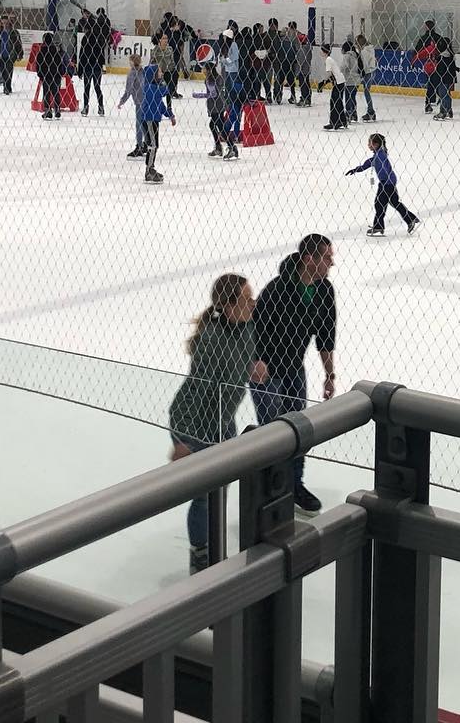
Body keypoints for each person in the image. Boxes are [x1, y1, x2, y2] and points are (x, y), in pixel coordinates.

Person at [169, 273, 267, 571]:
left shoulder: (247, 326)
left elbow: (243, 357)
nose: (253, 303)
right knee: (203, 497)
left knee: (220, 491)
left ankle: (211, 545)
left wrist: (253, 366)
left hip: (224, 424)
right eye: (246, 298)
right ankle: (200, 553)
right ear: (227, 305)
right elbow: (195, 394)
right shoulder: (210, 341)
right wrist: (182, 440)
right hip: (197, 426)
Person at [251, 234, 337, 513]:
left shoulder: (324, 291)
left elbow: (325, 336)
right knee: (274, 433)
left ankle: (294, 484)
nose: (332, 263)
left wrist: (329, 374)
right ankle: (272, 490)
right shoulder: (276, 290)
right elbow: (254, 329)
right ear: (309, 259)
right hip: (265, 371)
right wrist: (256, 361)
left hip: (293, 369)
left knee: (299, 431)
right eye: (327, 257)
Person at [347, 133, 420, 237]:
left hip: (387, 183)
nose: (368, 145)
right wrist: (356, 170)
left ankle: (379, 226)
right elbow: (368, 163)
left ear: (376, 144)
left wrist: (385, 183)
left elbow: (383, 169)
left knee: (379, 204)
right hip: (388, 182)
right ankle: (411, 219)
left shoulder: (380, 155)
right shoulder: (378, 154)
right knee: (393, 202)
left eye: (370, 143)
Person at [141, 62, 175, 183]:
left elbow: (160, 105)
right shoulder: (149, 87)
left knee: (155, 145)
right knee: (152, 145)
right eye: (159, 72)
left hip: (154, 120)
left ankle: (151, 168)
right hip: (149, 120)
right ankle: (149, 171)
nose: (161, 73)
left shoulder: (154, 87)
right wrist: (164, 82)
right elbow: (165, 90)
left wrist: (170, 115)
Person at [204, 57, 238, 160]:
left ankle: (231, 147)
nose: (202, 70)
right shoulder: (213, 78)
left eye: (204, 68)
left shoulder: (213, 79)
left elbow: (214, 93)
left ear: (209, 70)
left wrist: (200, 95)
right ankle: (221, 147)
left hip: (217, 106)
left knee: (219, 127)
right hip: (217, 105)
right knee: (215, 125)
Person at [79, 8, 110, 116]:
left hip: (88, 66)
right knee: (97, 87)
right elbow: (101, 55)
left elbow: (82, 55)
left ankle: (86, 107)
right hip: (96, 66)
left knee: (86, 88)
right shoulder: (99, 38)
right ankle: (101, 107)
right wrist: (102, 65)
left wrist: (80, 70)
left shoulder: (85, 39)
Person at [119, 51, 149, 158]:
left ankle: (139, 147)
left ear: (132, 62)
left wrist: (121, 101)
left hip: (140, 101)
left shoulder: (132, 73)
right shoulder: (144, 71)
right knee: (145, 123)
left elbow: (129, 90)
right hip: (147, 101)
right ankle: (146, 144)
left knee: (139, 124)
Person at [413, 23, 441, 115]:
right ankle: (437, 102)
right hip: (438, 66)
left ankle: (429, 103)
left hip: (430, 66)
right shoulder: (438, 38)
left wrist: (413, 60)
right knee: (437, 84)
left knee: (431, 85)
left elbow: (418, 52)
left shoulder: (424, 39)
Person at [320, 43, 348, 130]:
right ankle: (342, 121)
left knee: (334, 102)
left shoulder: (328, 59)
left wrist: (323, 81)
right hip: (340, 82)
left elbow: (328, 73)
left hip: (339, 82)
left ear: (324, 51)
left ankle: (334, 122)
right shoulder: (329, 59)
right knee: (337, 102)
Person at [37, 33, 64, 120]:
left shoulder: (42, 52)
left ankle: (47, 110)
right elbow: (60, 64)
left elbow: (39, 65)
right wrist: (60, 73)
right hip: (56, 75)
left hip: (46, 76)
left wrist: (40, 75)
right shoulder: (56, 52)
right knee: (56, 92)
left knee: (46, 93)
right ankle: (57, 109)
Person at [0, 19, 23, 93]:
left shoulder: (14, 32)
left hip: (11, 55)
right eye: (3, 23)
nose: (5, 24)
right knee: (3, 72)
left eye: (6, 22)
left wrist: (20, 54)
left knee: (9, 71)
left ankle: (7, 87)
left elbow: (18, 44)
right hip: (1, 55)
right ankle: (6, 86)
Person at [355, 34, 378, 121]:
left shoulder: (364, 51)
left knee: (367, 92)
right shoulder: (370, 48)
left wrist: (361, 73)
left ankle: (371, 112)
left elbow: (364, 64)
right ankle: (370, 111)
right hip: (371, 71)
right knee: (366, 92)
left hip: (368, 72)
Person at [342, 40, 363, 123]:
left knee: (348, 98)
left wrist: (340, 73)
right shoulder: (356, 55)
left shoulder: (347, 56)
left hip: (350, 80)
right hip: (356, 80)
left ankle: (348, 114)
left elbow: (344, 66)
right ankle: (354, 114)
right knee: (352, 97)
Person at [294, 23, 314, 106]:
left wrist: (297, 72)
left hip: (303, 70)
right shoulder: (308, 48)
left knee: (303, 85)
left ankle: (304, 99)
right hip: (307, 69)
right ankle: (308, 98)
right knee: (307, 84)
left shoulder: (302, 50)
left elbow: (300, 62)